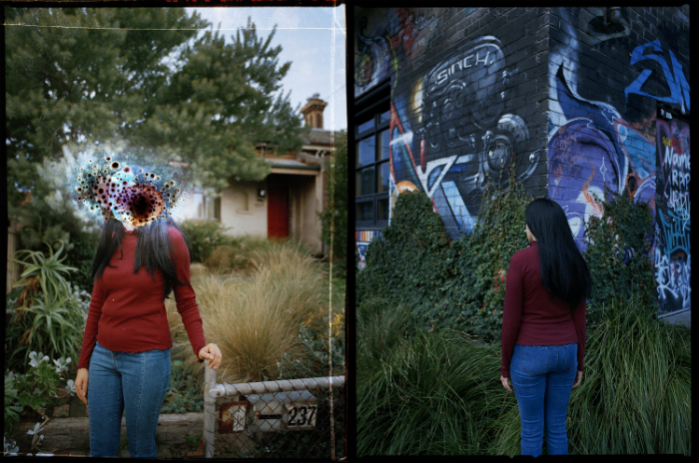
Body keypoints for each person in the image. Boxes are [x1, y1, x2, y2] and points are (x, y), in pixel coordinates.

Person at [73, 160, 222, 458]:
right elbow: (97, 303)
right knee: (101, 448)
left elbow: (186, 299)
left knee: (141, 448)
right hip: (103, 358)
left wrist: (200, 345)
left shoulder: (169, 239)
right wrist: (84, 362)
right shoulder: (111, 233)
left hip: (146, 359)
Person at [500, 198, 592, 456]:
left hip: (530, 355)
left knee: (531, 430)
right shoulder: (573, 260)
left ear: (535, 226)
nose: (525, 228)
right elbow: (580, 320)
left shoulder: (521, 261)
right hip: (566, 354)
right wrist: (580, 363)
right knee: (557, 428)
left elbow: (510, 322)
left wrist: (505, 366)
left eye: (527, 223)